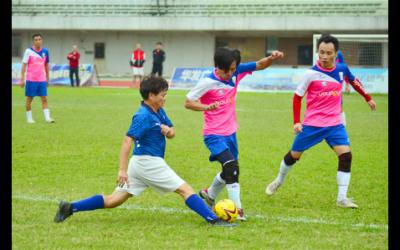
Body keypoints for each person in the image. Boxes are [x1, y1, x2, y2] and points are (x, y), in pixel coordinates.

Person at [54, 76, 235, 227]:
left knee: (113, 200)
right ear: (151, 95)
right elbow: (127, 140)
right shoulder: (143, 115)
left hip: (140, 164)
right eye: (163, 95)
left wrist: (168, 131)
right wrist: (121, 170)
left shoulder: (158, 110)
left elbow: (172, 132)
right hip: (148, 162)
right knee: (185, 189)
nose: (165, 98)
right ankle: (213, 219)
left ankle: (69, 207)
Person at [265, 34, 376, 209]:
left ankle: (341, 198)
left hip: (335, 124)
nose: (324, 56)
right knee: (294, 155)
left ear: (336, 53)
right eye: (321, 52)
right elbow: (297, 97)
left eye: (328, 53)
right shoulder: (311, 74)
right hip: (312, 124)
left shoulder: (341, 69)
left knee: (346, 156)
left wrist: (367, 98)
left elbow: (354, 82)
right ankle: (278, 181)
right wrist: (296, 121)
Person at [184, 47, 284, 220]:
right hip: (213, 134)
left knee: (230, 170)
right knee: (231, 166)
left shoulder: (236, 71)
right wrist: (206, 107)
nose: (230, 73)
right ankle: (238, 211)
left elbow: (260, 64)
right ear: (218, 66)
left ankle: (209, 194)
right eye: (227, 70)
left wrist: (272, 58)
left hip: (231, 133)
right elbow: (188, 102)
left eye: (233, 69)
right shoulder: (207, 82)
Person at [19, 33, 55, 123]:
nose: (38, 41)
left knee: (44, 98)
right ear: (33, 41)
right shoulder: (28, 51)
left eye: (39, 39)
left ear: (42, 41)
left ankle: (47, 118)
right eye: (36, 40)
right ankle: (29, 118)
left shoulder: (45, 51)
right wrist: (22, 79)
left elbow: (46, 64)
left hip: (41, 79)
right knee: (29, 99)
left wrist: (47, 77)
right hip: (31, 79)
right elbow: (24, 65)